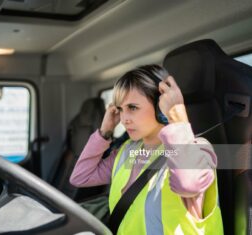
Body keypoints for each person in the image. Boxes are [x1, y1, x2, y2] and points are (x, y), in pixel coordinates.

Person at [70, 65, 223, 234]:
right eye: (121, 109)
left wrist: (176, 115)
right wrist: (105, 130)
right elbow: (81, 177)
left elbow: (187, 184)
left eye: (133, 108)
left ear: (160, 107)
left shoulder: (197, 151)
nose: (124, 119)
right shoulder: (128, 152)